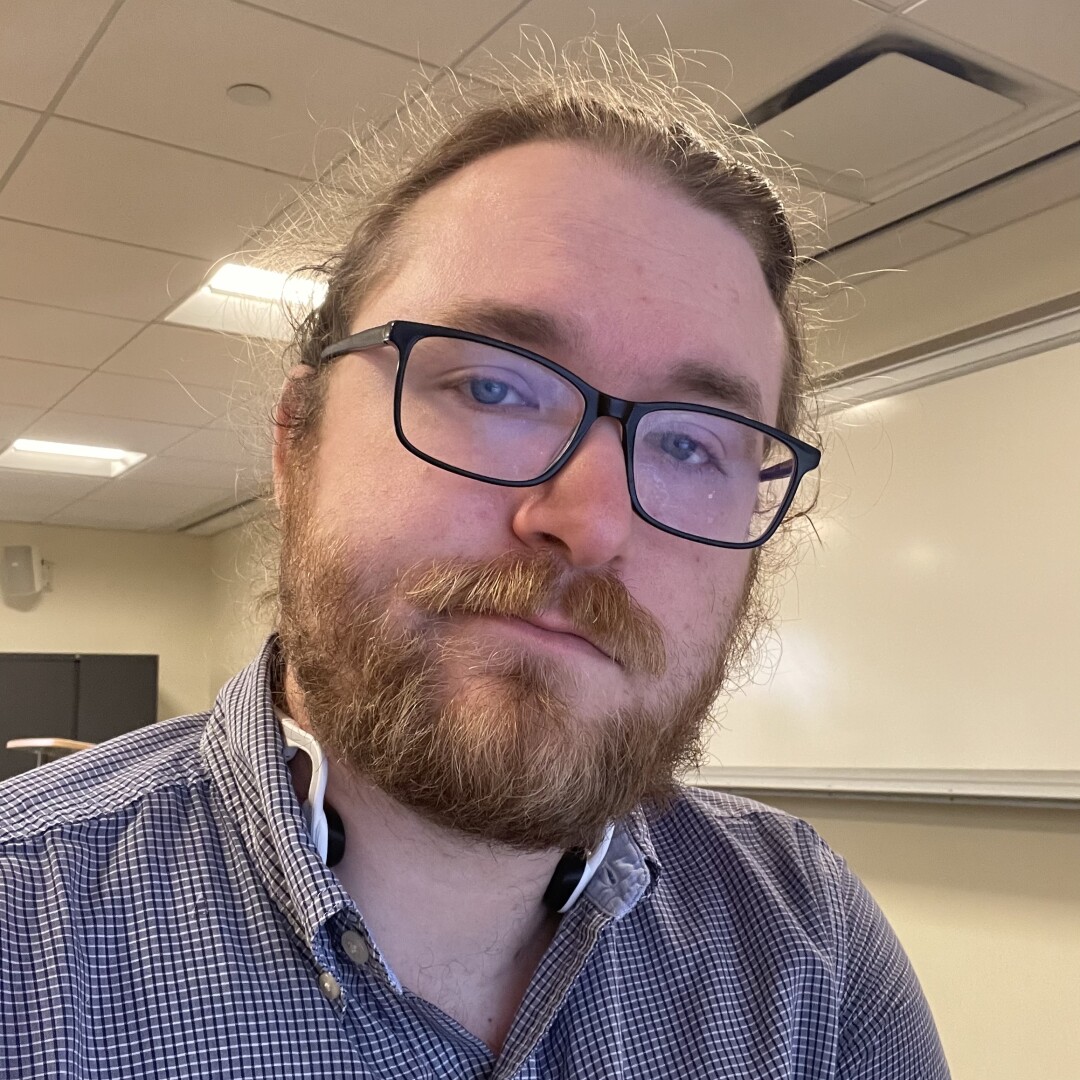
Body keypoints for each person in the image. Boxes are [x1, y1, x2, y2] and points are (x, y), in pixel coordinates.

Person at [0, 41, 948, 1079]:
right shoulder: (25, 938)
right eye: (495, 387)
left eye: (688, 444)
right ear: (296, 442)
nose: (589, 522)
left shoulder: (811, 950)